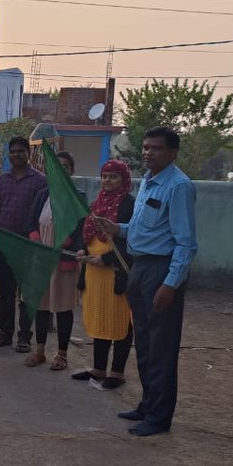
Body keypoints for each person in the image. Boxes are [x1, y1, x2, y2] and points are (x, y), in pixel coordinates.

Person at [93, 126, 198, 437]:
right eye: (146, 147)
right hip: (139, 268)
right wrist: (117, 229)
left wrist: (171, 283)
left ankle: (159, 417)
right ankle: (147, 405)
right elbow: (145, 230)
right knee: (145, 343)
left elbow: (186, 243)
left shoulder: (178, 186)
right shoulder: (149, 183)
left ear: (172, 152)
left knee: (162, 346)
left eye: (156, 148)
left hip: (161, 271)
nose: (149, 153)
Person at [73, 159, 135, 391]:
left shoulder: (129, 205)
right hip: (93, 272)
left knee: (119, 321)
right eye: (105, 176)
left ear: (124, 179)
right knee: (99, 317)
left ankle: (117, 372)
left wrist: (106, 259)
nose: (108, 181)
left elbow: (132, 239)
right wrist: (82, 248)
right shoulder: (96, 203)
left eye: (113, 176)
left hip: (116, 272)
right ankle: (99, 369)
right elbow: (85, 230)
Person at [23, 150, 84, 371]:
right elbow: (30, 223)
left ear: (72, 170)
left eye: (65, 166)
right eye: (56, 166)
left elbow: (81, 230)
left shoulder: (78, 197)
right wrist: (38, 241)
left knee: (63, 308)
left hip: (63, 259)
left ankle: (61, 354)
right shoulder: (42, 195)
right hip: (42, 259)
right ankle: (39, 350)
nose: (61, 170)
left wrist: (64, 243)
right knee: (41, 306)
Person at [0, 136, 47, 353]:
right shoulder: (2, 181)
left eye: (20, 151)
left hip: (29, 246)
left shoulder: (40, 181)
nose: (16, 155)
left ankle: (24, 337)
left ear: (28, 153)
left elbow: (46, 215)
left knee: (28, 294)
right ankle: (4, 333)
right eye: (12, 152)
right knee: (6, 293)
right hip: (5, 245)